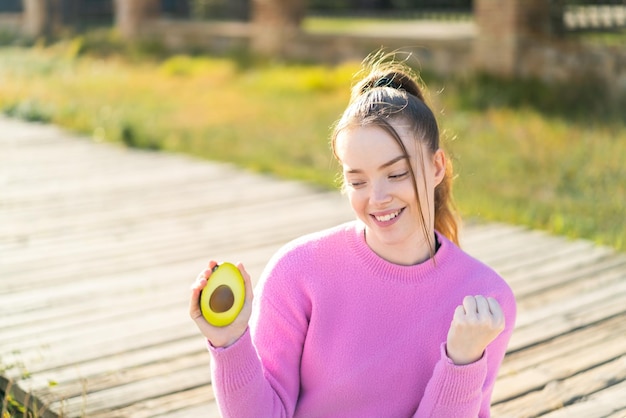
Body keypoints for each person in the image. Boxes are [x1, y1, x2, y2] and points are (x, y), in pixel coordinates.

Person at [189, 52, 516, 417]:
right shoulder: (297, 271)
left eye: (396, 174)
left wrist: (463, 363)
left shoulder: (486, 300)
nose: (377, 198)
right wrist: (230, 342)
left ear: (436, 166)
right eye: (357, 180)